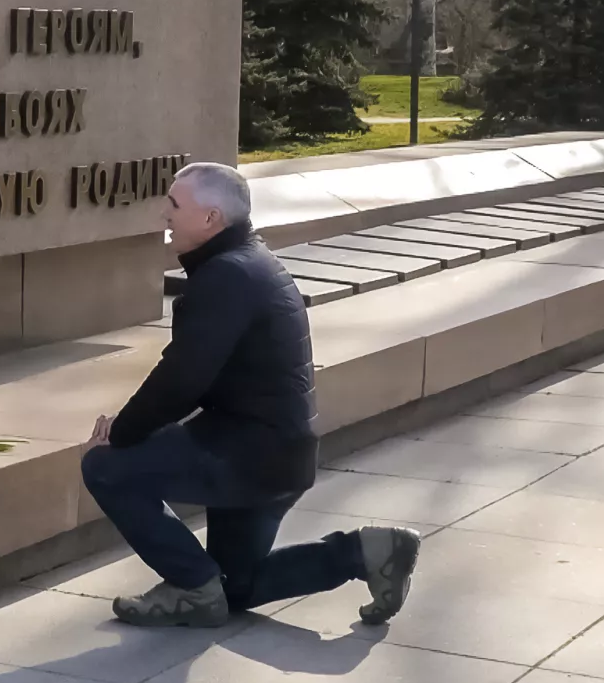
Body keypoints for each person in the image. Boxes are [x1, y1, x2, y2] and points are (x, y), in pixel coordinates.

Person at [80, 161, 420, 628]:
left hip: (245, 455)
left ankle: (192, 588)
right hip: (278, 455)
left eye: (175, 205)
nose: (165, 215)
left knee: (106, 468)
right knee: (235, 586)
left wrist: (120, 433)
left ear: (211, 219)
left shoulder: (227, 277)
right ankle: (367, 552)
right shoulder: (248, 261)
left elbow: (183, 378)